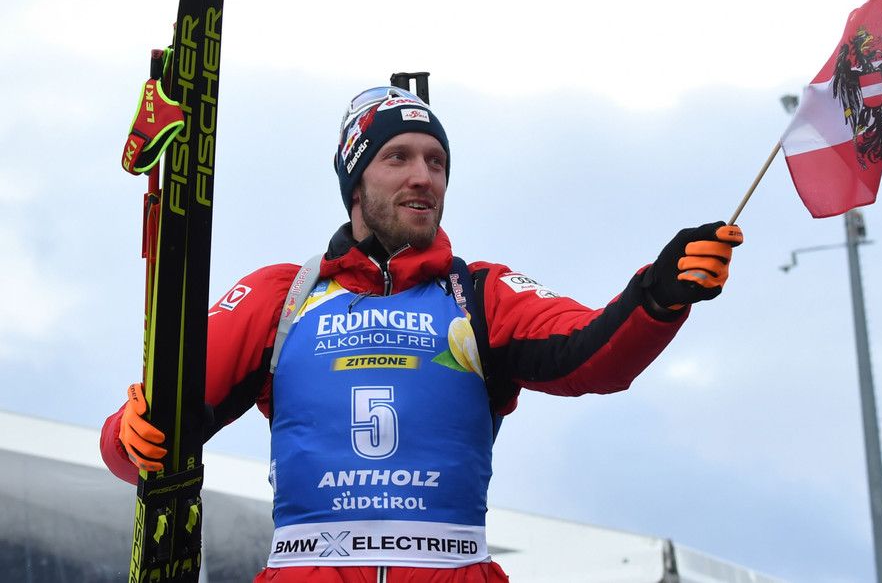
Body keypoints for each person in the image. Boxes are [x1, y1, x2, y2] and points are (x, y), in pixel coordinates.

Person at [101, 86, 744, 582]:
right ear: (356, 181)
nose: (423, 176)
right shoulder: (284, 297)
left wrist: (658, 294)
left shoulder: (479, 293)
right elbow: (151, 428)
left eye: (436, 162)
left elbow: (593, 354)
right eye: (398, 157)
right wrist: (133, 435)